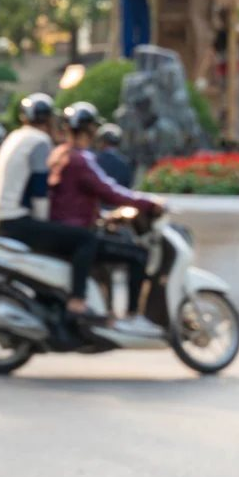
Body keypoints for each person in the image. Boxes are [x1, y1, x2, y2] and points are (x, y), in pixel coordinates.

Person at [0, 94, 105, 317]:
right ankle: (77, 301)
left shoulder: (14, 137)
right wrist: (47, 220)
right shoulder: (39, 142)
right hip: (16, 221)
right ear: (49, 120)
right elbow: (40, 190)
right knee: (85, 239)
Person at [48, 103, 161, 322]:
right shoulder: (81, 159)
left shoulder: (60, 154)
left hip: (68, 226)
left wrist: (105, 216)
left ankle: (107, 312)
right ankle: (132, 315)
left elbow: (77, 197)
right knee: (138, 255)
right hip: (78, 231)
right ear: (91, 130)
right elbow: (110, 191)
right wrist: (149, 202)